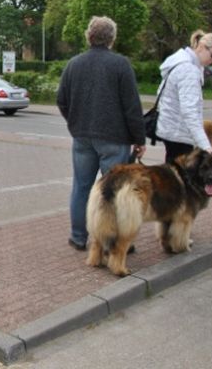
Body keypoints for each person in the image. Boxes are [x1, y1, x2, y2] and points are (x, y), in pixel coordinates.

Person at [56, 17, 146, 251]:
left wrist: (74, 122)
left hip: (82, 136)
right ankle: (112, 241)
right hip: (114, 138)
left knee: (81, 187)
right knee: (114, 192)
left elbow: (61, 100)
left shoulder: (74, 64)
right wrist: (139, 138)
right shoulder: (120, 64)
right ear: (112, 39)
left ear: (89, 36)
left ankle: (78, 236)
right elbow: (132, 106)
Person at [156, 30, 212, 164]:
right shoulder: (189, 70)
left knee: (172, 170)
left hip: (173, 129)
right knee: (179, 173)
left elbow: (161, 93)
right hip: (179, 132)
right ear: (202, 47)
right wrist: (205, 145)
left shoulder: (181, 63)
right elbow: (189, 111)